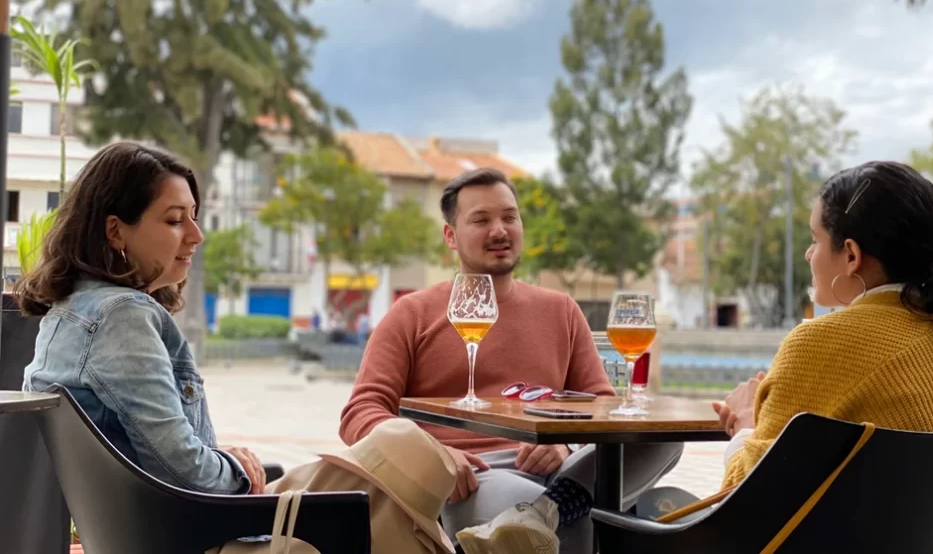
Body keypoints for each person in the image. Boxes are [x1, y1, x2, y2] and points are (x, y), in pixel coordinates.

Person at [18, 142, 460, 554]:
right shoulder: (121, 317)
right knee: (406, 451)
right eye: (175, 220)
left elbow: (159, 459)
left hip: (180, 526)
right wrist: (236, 471)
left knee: (400, 476)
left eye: (194, 216)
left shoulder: (68, 312)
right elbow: (185, 472)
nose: (196, 235)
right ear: (116, 231)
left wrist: (229, 464)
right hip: (210, 536)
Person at [340, 167, 683, 554]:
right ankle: (551, 511)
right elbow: (360, 413)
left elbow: (602, 408)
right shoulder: (412, 314)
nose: (500, 230)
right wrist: (430, 456)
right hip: (473, 474)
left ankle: (546, 510)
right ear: (450, 236)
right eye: (481, 220)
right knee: (570, 517)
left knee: (662, 435)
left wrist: (565, 448)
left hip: (563, 470)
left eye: (509, 216)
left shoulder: (561, 309)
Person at [711, 161, 933, 494]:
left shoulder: (820, 344)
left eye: (816, 239)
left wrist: (746, 425)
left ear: (851, 255)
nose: (809, 254)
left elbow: (744, 497)